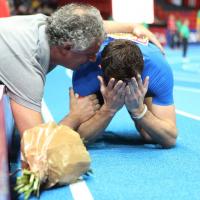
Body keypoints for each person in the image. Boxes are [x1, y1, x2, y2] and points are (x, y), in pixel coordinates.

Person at [0, 3, 163, 137]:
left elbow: (91, 28)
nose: (94, 60)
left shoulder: (48, 27)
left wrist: (132, 26)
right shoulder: (25, 63)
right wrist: (74, 117)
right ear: (66, 48)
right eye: (91, 54)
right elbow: (36, 144)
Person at [73, 35, 178, 148]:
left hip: (143, 76)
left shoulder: (158, 70)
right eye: (116, 83)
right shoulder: (85, 71)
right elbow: (78, 138)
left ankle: (130, 90)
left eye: (128, 83)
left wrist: (139, 111)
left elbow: (170, 139)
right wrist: (108, 110)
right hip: (100, 85)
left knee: (150, 136)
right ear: (101, 68)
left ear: (141, 70)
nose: (122, 90)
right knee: (87, 138)